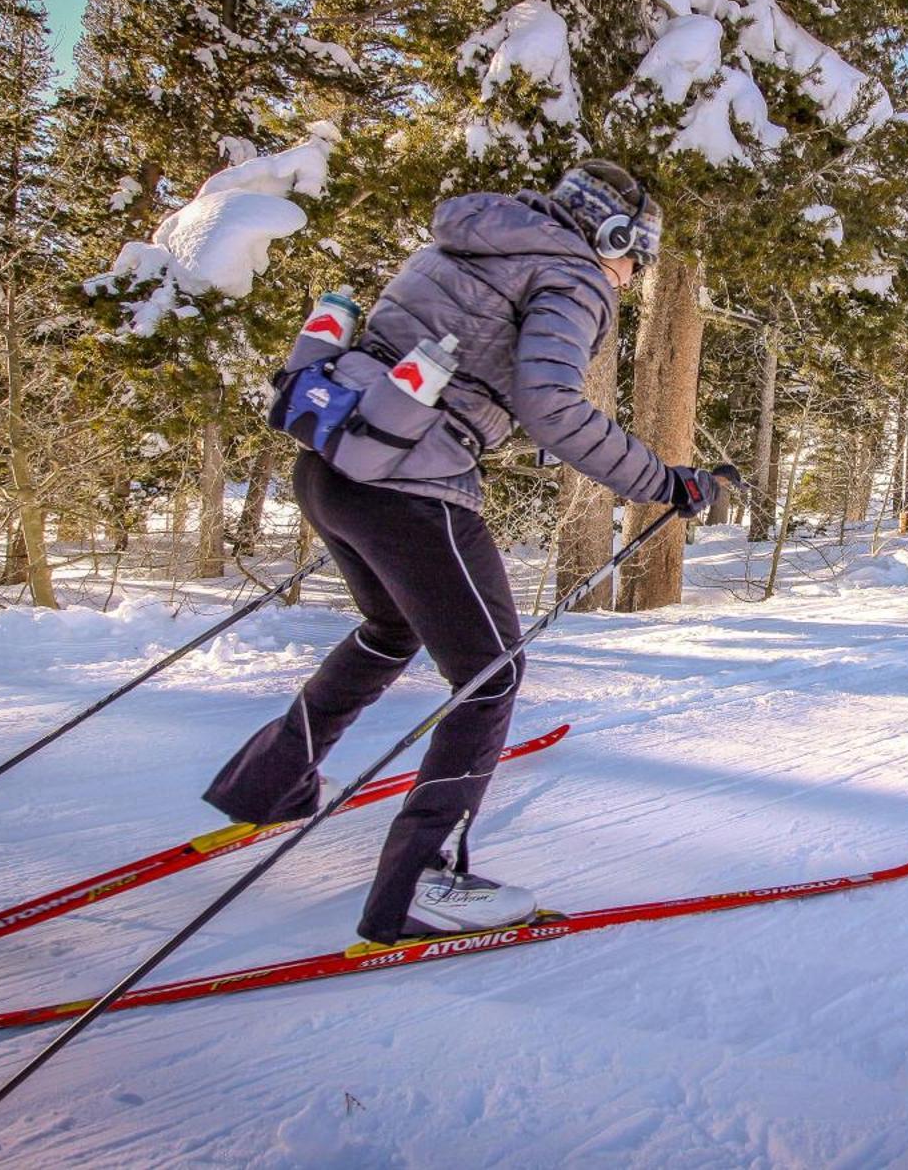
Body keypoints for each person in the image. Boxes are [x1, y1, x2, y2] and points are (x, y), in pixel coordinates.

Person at [205, 160, 722, 946]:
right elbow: (552, 403)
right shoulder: (573, 276)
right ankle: (418, 886)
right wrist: (663, 481)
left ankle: (271, 783)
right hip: (410, 491)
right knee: (490, 675)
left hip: (333, 466)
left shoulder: (475, 238)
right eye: (634, 258)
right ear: (609, 238)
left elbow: (473, 368)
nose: (630, 278)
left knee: (389, 630)